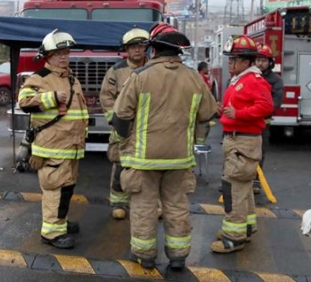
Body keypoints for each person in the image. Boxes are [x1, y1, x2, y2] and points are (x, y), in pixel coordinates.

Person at [112, 23, 217, 271]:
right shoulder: (194, 78)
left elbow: (120, 116)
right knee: (177, 207)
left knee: (144, 208)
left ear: (154, 50)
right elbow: (208, 114)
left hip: (143, 159)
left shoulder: (140, 77)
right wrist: (194, 141)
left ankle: (144, 255)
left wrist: (125, 143)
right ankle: (178, 256)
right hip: (180, 159)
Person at [18, 29, 89, 250]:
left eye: (66, 52)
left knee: (66, 188)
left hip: (71, 147)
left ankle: (60, 221)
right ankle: (51, 232)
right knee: (54, 188)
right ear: (48, 55)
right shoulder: (40, 77)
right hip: (52, 147)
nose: (63, 57)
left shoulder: (72, 79)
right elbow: (23, 101)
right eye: (58, 53)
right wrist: (51, 98)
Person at [211, 35, 273, 254]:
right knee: (242, 186)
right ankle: (246, 227)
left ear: (247, 61)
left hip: (243, 140)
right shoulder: (240, 79)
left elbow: (266, 107)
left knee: (234, 188)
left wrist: (239, 114)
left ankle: (234, 237)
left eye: (234, 59)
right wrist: (225, 112)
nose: (230, 63)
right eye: (230, 59)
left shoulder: (254, 81)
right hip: (237, 139)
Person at [99, 28, 149, 220]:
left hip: (147, 128)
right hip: (124, 128)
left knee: (148, 167)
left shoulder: (153, 69)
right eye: (133, 46)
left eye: (141, 46)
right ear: (126, 49)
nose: (137, 50)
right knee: (120, 163)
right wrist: (116, 121)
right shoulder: (116, 71)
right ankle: (118, 202)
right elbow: (106, 96)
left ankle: (148, 204)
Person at [252, 43, 284, 194]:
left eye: (263, 60)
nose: (260, 63)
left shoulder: (275, 80)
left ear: (270, 62)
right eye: (258, 60)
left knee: (259, 153)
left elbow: (276, 102)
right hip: (247, 122)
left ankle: (256, 181)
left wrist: (259, 111)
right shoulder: (249, 76)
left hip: (263, 124)